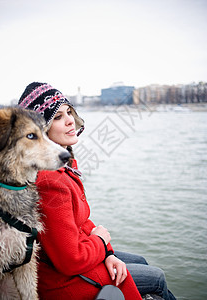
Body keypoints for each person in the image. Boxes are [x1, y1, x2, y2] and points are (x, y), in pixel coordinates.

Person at [18, 82, 176, 300]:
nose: (70, 120)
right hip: (64, 282)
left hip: (79, 255)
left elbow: (80, 224)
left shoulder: (62, 166)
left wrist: (108, 252)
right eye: (57, 117)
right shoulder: (50, 181)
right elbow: (69, 260)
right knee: (156, 279)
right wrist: (101, 242)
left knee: (139, 262)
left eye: (69, 112)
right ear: (41, 131)